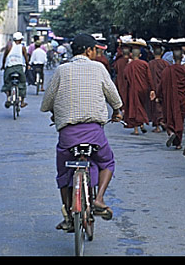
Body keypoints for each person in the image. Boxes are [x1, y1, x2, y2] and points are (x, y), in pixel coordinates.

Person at [40, 33, 123, 231]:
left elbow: (46, 103)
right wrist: (117, 111)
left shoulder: (62, 70)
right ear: (88, 50)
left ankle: (69, 215)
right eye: (95, 50)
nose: (96, 54)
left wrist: (54, 112)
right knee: (107, 162)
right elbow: (114, 97)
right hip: (94, 133)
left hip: (68, 135)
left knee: (63, 173)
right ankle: (99, 198)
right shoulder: (98, 68)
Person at [157, 45, 185, 150]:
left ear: (172, 58)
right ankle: (178, 144)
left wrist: (158, 95)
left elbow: (161, 84)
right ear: (182, 58)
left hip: (168, 98)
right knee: (179, 118)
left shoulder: (166, 71)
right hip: (181, 98)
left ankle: (171, 132)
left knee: (169, 117)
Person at [123, 41, 156, 135]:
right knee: (140, 106)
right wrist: (152, 89)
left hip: (133, 88)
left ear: (131, 54)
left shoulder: (129, 65)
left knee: (134, 107)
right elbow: (149, 77)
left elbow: (125, 76)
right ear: (140, 55)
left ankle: (137, 129)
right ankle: (141, 124)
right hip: (143, 88)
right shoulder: (144, 64)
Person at [0, 32, 29, 108]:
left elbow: (4, 57)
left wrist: (3, 66)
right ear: (21, 39)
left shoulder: (9, 46)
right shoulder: (22, 47)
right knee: (22, 83)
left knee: (7, 83)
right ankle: (22, 102)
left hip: (9, 67)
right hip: (19, 67)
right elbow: (26, 58)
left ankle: (8, 98)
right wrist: (28, 65)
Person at [147, 40, 169, 132]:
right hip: (163, 87)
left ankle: (158, 126)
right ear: (162, 52)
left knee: (156, 106)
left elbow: (148, 76)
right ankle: (163, 121)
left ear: (152, 52)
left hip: (154, 87)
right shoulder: (165, 64)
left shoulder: (150, 64)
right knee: (163, 105)